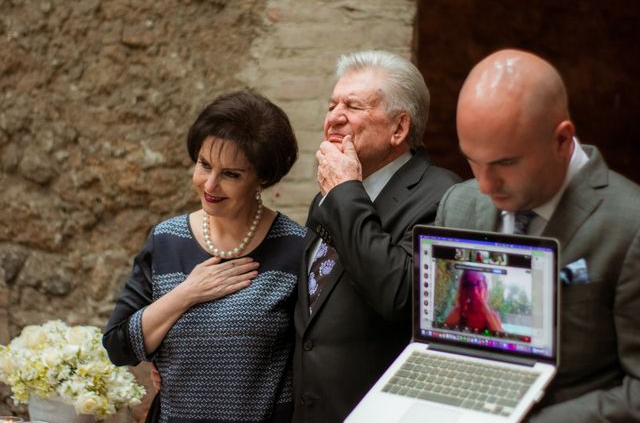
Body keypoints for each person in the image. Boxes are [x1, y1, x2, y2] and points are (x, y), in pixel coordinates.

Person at [435, 48, 640, 422]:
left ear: (562, 140)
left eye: (505, 163)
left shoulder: (631, 225)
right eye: (472, 161)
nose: (483, 185)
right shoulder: (457, 205)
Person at [103, 91, 308, 423]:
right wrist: (187, 293)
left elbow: (314, 362)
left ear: (262, 178)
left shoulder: (295, 248)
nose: (210, 184)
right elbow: (117, 346)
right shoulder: (166, 239)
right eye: (204, 164)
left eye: (231, 174)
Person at [293, 50, 461, 422]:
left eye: (352, 106)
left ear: (399, 129)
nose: (334, 117)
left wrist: (344, 192)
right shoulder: (331, 194)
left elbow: (399, 294)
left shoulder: (443, 196)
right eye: (332, 104)